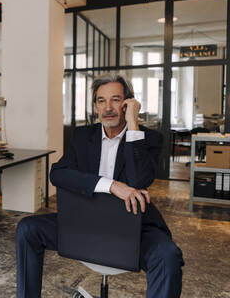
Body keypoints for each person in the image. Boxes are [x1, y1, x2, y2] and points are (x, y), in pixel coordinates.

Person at [16, 74, 184, 298]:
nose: (108, 108)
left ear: (128, 104)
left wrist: (133, 125)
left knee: (168, 256)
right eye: (101, 101)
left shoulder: (150, 138)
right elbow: (58, 173)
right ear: (95, 106)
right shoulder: (83, 136)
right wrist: (112, 185)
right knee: (28, 229)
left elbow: (138, 181)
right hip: (86, 224)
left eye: (116, 100)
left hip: (132, 227)